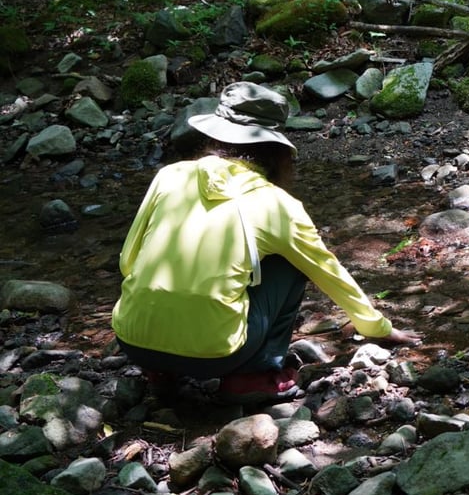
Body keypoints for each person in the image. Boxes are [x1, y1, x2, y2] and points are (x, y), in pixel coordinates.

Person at [111, 82, 421, 404]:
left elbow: (128, 261)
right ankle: (251, 378)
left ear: (216, 135)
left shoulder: (169, 176)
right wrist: (378, 328)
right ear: (276, 149)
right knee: (292, 262)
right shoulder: (278, 205)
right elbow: (327, 272)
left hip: (133, 342)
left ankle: (161, 373)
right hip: (218, 355)